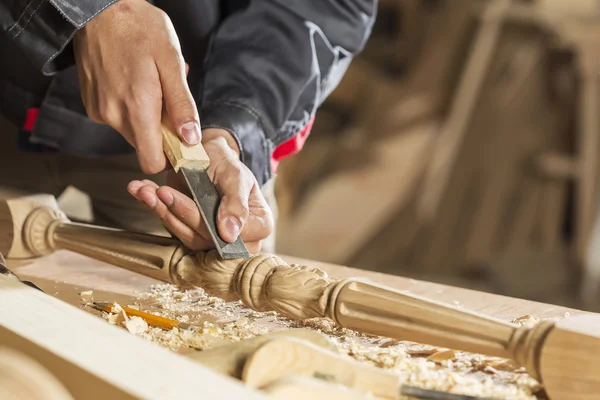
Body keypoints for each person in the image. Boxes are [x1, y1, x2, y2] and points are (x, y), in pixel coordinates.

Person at [0, 0, 376, 253]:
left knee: (203, 317)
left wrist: (230, 129)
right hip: (11, 65)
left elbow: (318, 9)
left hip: (179, 131)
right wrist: (90, 9)